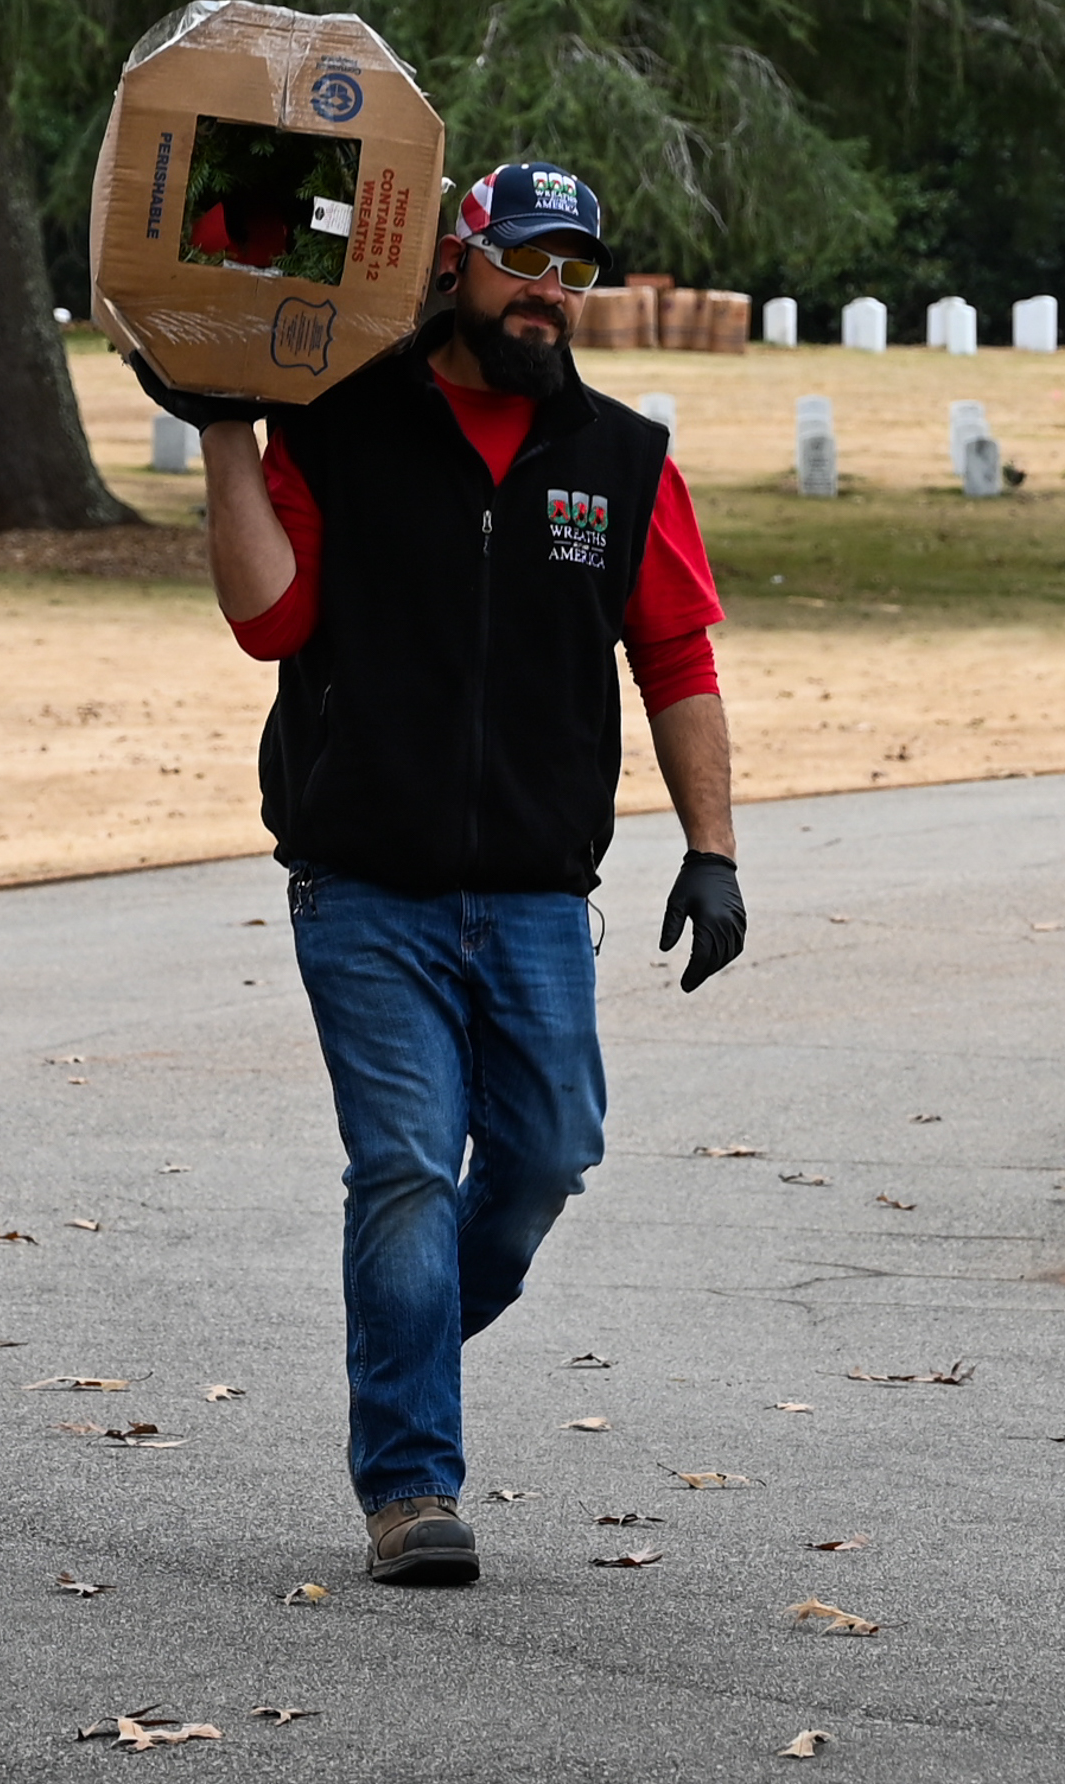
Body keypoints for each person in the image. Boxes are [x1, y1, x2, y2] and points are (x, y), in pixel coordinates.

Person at [137, 162, 745, 1588]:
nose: (549, 291)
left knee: (545, 1158)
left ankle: (399, 1338)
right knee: (407, 1168)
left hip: (536, 893)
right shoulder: (342, 421)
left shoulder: (622, 458)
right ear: (454, 262)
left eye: (574, 271)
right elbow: (270, 621)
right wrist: (226, 434)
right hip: (364, 882)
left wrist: (712, 851)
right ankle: (411, 1485)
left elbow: (676, 655)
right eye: (525, 259)